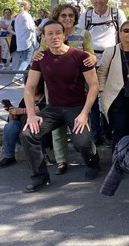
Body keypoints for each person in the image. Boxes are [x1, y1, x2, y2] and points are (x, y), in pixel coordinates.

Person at [19, 20, 101, 192]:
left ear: (64, 35)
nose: (54, 36)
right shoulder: (40, 58)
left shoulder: (81, 56)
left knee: (82, 143)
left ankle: (93, 163)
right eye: (49, 33)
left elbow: (94, 85)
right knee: (28, 134)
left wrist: (85, 113)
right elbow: (30, 87)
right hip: (53, 108)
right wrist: (31, 115)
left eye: (58, 33)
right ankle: (40, 177)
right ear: (44, 37)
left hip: (77, 107)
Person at [36, 3, 97, 175]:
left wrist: (91, 58)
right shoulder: (48, 33)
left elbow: (91, 53)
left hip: (78, 85)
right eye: (63, 15)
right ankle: (61, 160)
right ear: (57, 17)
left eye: (71, 15)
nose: (67, 18)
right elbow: (41, 54)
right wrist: (36, 55)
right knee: (57, 128)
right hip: (54, 85)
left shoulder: (83, 34)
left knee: (82, 124)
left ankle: (90, 158)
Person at [98, 20, 129, 147]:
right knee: (119, 128)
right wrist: (102, 93)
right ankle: (117, 160)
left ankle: (127, 158)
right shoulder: (110, 51)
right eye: (126, 30)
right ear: (119, 34)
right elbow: (102, 73)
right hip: (116, 96)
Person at [0, 80, 47, 169]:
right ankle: (9, 156)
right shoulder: (26, 98)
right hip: (23, 129)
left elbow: (42, 108)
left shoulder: (46, 98)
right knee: (11, 126)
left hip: (42, 133)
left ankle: (40, 157)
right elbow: (14, 119)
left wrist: (22, 111)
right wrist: (12, 112)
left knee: (34, 126)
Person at [78, 0, 127, 65]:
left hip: (113, 59)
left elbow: (125, 34)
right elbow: (79, 38)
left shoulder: (117, 14)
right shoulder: (85, 16)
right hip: (90, 59)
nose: (99, 1)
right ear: (91, 0)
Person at [13, 0, 36, 84]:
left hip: (21, 40)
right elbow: (30, 27)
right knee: (27, 60)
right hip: (28, 40)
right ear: (28, 6)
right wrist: (36, 28)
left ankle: (27, 78)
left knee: (24, 59)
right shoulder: (26, 15)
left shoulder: (19, 16)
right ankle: (17, 77)